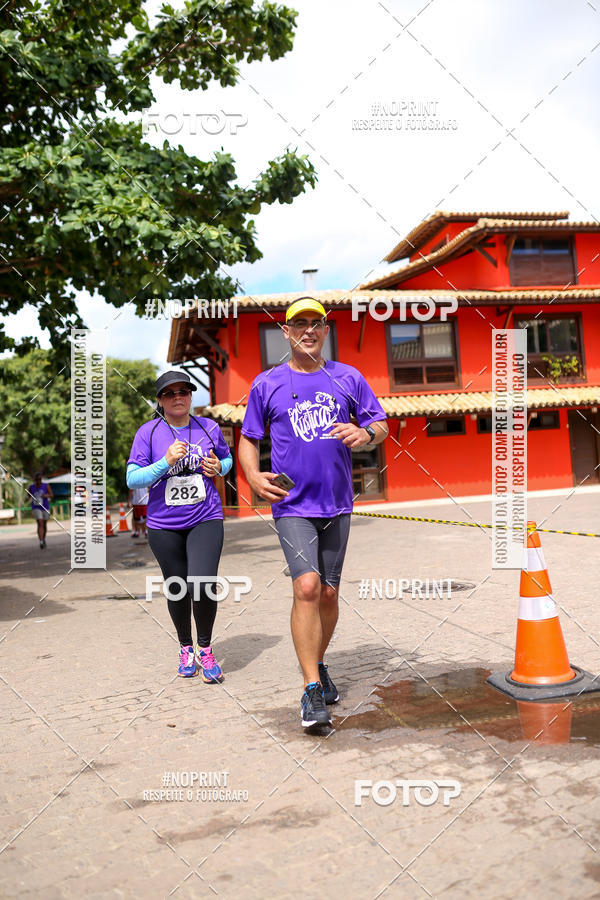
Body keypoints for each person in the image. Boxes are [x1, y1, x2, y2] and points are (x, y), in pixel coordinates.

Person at [239, 297, 388, 732]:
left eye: (316, 323)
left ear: (326, 330)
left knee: (328, 594)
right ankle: (310, 689)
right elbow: (248, 439)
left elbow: (380, 425)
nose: (308, 330)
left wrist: (364, 433)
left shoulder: (348, 377)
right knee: (306, 586)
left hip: (337, 504)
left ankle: (318, 664)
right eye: (299, 323)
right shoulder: (267, 384)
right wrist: (252, 476)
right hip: (292, 505)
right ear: (286, 332)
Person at [126, 370, 233, 681]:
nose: (177, 397)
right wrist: (165, 462)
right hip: (164, 525)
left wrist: (219, 467)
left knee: (202, 582)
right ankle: (186, 647)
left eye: (183, 391)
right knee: (177, 587)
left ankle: (205, 649)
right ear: (160, 400)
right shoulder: (147, 433)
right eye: (169, 393)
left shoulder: (208, 427)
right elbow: (133, 478)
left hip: (205, 518)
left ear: (190, 396)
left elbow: (226, 460)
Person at [29, 472, 53, 549]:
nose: (38, 481)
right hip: (36, 507)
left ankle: (43, 538)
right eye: (37, 479)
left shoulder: (46, 486)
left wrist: (45, 496)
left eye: (39, 479)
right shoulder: (31, 487)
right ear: (35, 480)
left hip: (45, 507)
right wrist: (27, 498)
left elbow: (51, 495)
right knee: (40, 523)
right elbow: (28, 495)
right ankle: (41, 541)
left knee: (44, 524)